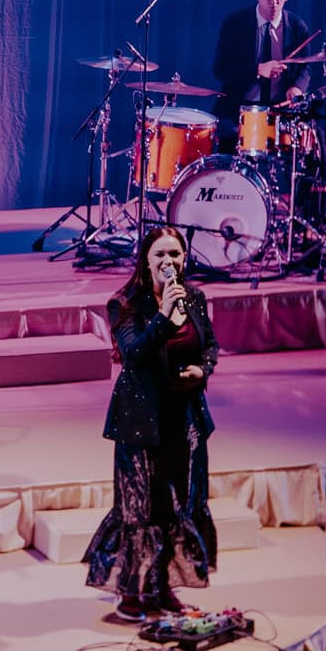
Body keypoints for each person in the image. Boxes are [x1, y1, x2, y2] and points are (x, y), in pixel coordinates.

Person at [83, 224, 220, 622]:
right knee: (140, 507)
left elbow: (210, 345)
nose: (168, 261)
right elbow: (133, 355)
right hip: (142, 421)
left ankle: (163, 588)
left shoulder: (194, 297)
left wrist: (202, 370)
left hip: (184, 418)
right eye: (160, 254)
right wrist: (163, 316)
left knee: (176, 506)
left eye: (174, 254)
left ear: (184, 259)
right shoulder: (125, 303)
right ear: (145, 260)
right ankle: (131, 592)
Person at [211, 0, 314, 151]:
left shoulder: (297, 26)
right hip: (238, 109)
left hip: (280, 110)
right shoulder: (235, 23)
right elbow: (221, 70)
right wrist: (258, 70)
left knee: (313, 140)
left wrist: (297, 87)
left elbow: (305, 67)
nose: (273, 1)